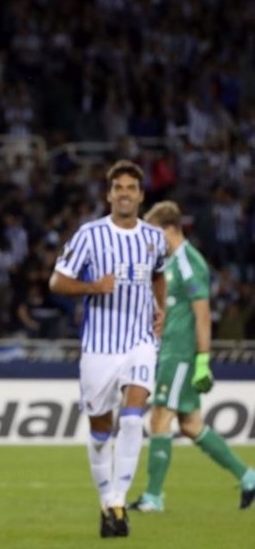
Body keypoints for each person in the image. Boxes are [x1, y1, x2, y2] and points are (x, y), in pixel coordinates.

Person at [48, 159, 167, 538]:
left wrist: (160, 308)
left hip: (140, 343)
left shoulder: (155, 237)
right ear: (109, 194)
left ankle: (118, 498)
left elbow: (159, 273)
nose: (125, 194)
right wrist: (92, 287)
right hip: (99, 348)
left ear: (141, 195)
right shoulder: (89, 235)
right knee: (101, 431)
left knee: (132, 419)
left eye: (132, 188)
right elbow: (57, 281)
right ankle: (107, 502)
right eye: (119, 188)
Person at [130, 200, 255, 512]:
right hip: (170, 353)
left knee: (159, 419)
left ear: (168, 229)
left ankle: (153, 497)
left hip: (181, 356)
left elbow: (202, 314)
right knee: (191, 425)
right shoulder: (172, 263)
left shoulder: (189, 262)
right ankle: (248, 476)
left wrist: (202, 359)